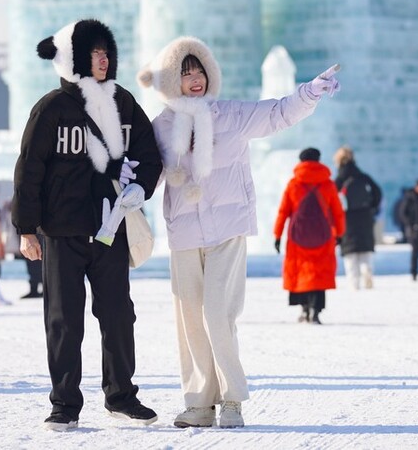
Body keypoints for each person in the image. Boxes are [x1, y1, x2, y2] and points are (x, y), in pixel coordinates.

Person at [139, 36, 339, 429]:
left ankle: (232, 399)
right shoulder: (161, 127)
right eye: (185, 73)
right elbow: (150, 174)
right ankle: (199, 403)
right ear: (171, 80)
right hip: (183, 232)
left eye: (199, 70)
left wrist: (310, 92)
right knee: (190, 320)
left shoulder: (231, 114)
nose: (195, 78)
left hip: (227, 229)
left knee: (218, 314)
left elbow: (278, 113)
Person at [12, 19, 163, 432]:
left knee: (119, 315)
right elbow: (29, 170)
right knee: (64, 320)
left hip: (111, 229)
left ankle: (121, 397)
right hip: (61, 232)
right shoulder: (50, 108)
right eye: (93, 52)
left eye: (106, 51)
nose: (103, 58)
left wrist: (142, 187)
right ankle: (64, 404)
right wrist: (26, 229)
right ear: (74, 58)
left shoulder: (124, 102)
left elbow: (150, 155)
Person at [275, 148, 345, 323]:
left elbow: (283, 211)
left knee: (301, 271)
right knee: (319, 273)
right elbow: (337, 212)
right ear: (319, 160)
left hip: (297, 237)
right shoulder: (328, 184)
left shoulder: (294, 184)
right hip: (323, 235)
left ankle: (305, 309)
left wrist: (277, 235)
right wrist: (340, 233)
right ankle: (316, 310)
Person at [332, 145, 381, 289]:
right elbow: (377, 193)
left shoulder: (339, 180)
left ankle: (354, 283)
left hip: (347, 218)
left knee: (350, 252)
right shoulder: (363, 177)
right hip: (365, 216)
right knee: (365, 248)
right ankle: (367, 270)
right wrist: (372, 208)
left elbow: (331, 198)